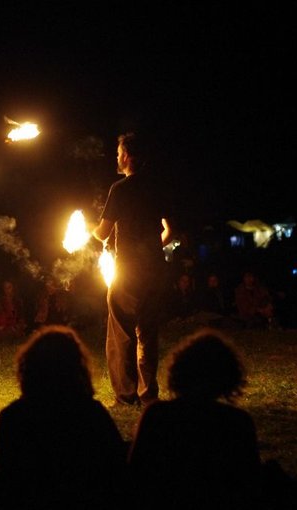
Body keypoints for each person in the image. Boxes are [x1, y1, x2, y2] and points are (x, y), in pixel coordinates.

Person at [128, 328, 297, 509]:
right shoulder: (237, 422)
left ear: (179, 370)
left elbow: (135, 475)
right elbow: (248, 484)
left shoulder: (157, 415)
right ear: (227, 376)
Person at [0, 325, 128, 509]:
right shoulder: (90, 413)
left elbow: (7, 475)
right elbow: (117, 466)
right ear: (77, 367)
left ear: (29, 366)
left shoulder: (14, 416)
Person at [92, 132, 173, 406]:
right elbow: (169, 232)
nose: (116, 157)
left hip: (128, 271)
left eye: (118, 152)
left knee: (121, 333)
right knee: (147, 332)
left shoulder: (121, 189)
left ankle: (126, 395)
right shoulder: (157, 187)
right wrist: (151, 248)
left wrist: (90, 231)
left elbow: (102, 234)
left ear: (127, 155)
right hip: (155, 269)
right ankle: (148, 394)